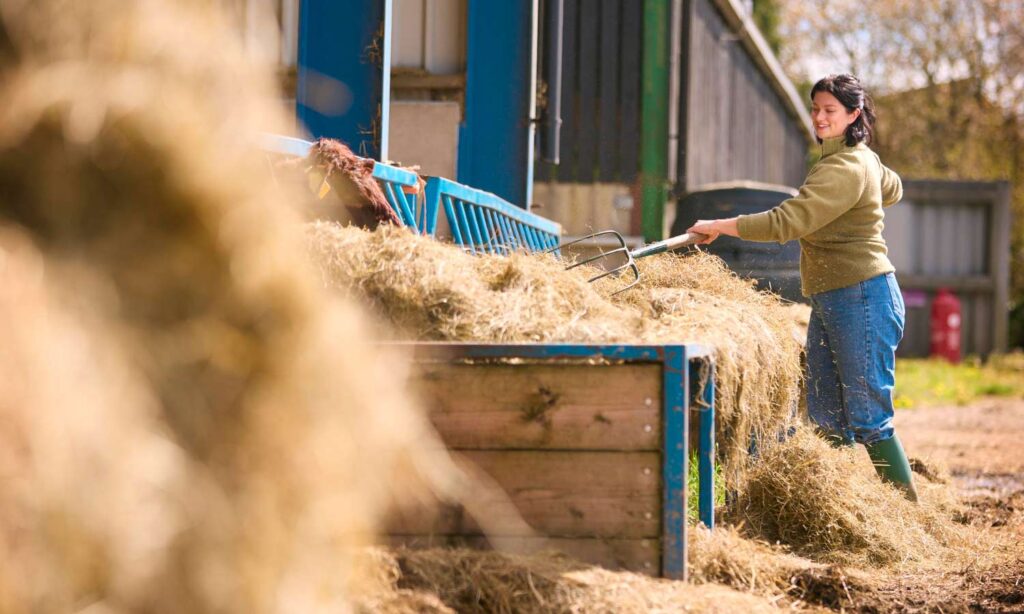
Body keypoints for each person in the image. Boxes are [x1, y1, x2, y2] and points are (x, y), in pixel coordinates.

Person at [687, 74, 918, 502]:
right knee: (828, 412)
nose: (819, 117)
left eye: (830, 110)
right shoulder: (853, 159)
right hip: (834, 296)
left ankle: (909, 517)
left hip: (863, 296)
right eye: (815, 108)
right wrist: (869, 175)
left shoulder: (845, 167)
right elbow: (894, 187)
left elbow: (786, 222)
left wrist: (719, 226)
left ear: (854, 115)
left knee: (868, 416)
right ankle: (837, 505)